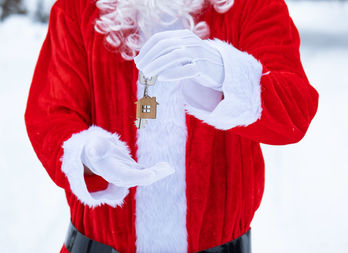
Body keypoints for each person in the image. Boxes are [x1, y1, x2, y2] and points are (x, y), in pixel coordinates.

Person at [24, 0, 319, 252]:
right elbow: (50, 112)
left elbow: (294, 112)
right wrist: (86, 156)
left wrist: (224, 72)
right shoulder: (77, 6)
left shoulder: (251, 5)